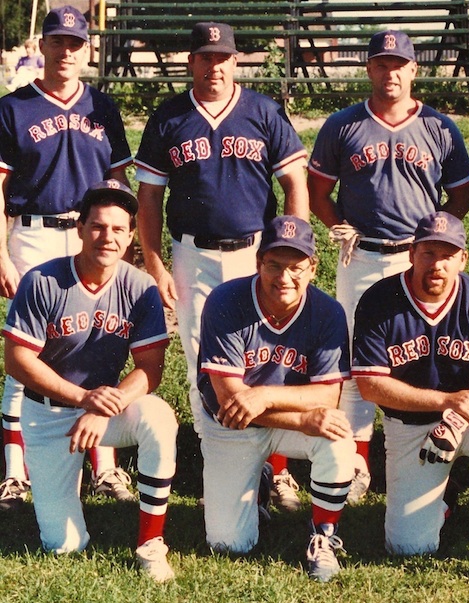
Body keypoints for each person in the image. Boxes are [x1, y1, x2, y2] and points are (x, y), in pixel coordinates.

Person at [135, 22, 309, 512]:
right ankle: (220, 462)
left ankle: (277, 470)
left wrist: (293, 252)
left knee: (270, 357)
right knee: (201, 359)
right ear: (191, 62)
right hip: (193, 254)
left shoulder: (263, 111)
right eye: (205, 57)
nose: (214, 66)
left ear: (236, 62)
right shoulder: (170, 116)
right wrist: (155, 263)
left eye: (223, 58)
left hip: (259, 253)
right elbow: (148, 197)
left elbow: (295, 182)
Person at [307, 30, 469, 504]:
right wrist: (338, 224)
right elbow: (318, 192)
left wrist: (434, 242)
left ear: (414, 70)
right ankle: (357, 459)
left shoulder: (439, 127)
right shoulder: (343, 124)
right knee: (361, 357)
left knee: (421, 351)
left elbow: (461, 196)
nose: (390, 73)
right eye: (382, 64)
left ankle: (424, 451)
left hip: (415, 256)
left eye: (399, 64)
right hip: (360, 254)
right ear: (369, 69)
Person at [352, 212, 469, 593]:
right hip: (410, 425)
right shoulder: (379, 300)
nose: (437, 263)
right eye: (428, 252)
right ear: (411, 253)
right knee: (408, 547)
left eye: (447, 254)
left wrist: (456, 415)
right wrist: (444, 401)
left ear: (463, 259)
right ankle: (445, 496)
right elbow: (370, 385)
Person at [1, 180, 177, 581]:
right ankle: (65, 486)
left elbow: (150, 368)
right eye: (98, 226)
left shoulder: (139, 286)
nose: (107, 237)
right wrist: (86, 399)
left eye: (118, 229)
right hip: (48, 416)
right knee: (63, 545)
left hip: (104, 411)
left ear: (131, 235)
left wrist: (104, 405)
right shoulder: (43, 280)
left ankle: (151, 542)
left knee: (160, 417)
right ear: (79, 228)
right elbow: (17, 360)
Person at [0, 6, 134, 511]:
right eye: (58, 42)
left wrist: (122, 240)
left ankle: (104, 465)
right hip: (34, 233)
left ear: (87, 50)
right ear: (45, 47)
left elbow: (120, 182)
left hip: (95, 236)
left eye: (76, 44)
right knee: (27, 354)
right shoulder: (13, 108)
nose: (66, 52)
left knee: (99, 342)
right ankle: (16, 473)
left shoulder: (104, 106)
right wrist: (0, 254)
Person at [197, 215, 354, 582]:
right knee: (228, 544)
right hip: (230, 423)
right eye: (274, 265)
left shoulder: (327, 311)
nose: (284, 277)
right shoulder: (226, 301)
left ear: (313, 268)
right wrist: (301, 419)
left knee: (337, 438)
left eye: (296, 267)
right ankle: (260, 482)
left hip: (272, 413)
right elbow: (230, 402)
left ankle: (324, 537)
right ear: (258, 263)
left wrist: (265, 395)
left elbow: (328, 394)